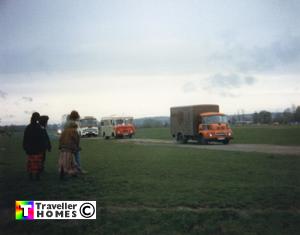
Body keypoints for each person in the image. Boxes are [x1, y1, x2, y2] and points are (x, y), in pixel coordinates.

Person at [23, 112, 44, 180]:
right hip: (38, 149)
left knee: (30, 163)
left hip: (30, 149)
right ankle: (37, 176)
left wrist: (25, 147)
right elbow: (41, 139)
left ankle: (30, 176)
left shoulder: (28, 127)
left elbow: (25, 138)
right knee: (37, 163)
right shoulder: (39, 127)